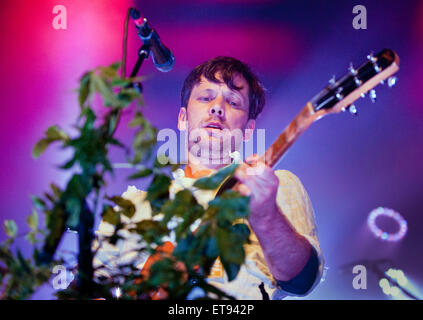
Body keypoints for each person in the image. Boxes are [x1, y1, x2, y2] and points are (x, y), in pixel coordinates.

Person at [94, 56, 324, 300]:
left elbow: (302, 281)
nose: (217, 107)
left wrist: (266, 215)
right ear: (182, 118)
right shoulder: (132, 205)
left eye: (233, 102)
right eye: (206, 97)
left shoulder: (274, 186)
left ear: (248, 130)